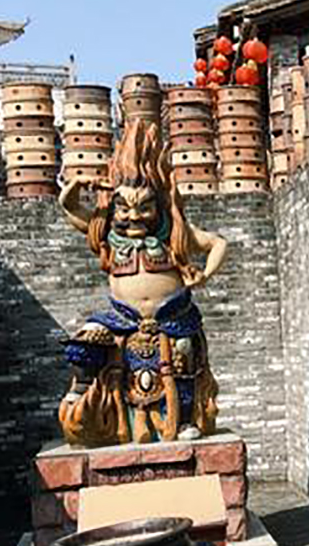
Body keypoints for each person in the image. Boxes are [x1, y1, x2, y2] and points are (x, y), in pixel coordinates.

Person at [58, 118, 227, 446]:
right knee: (84, 344)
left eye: (144, 208)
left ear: (158, 205)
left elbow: (218, 243)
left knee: (183, 355)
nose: (134, 216)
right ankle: (85, 408)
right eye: (124, 208)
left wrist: (205, 275)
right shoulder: (106, 232)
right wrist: (78, 182)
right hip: (122, 317)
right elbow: (68, 205)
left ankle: (184, 418)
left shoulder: (174, 233)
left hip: (172, 315)